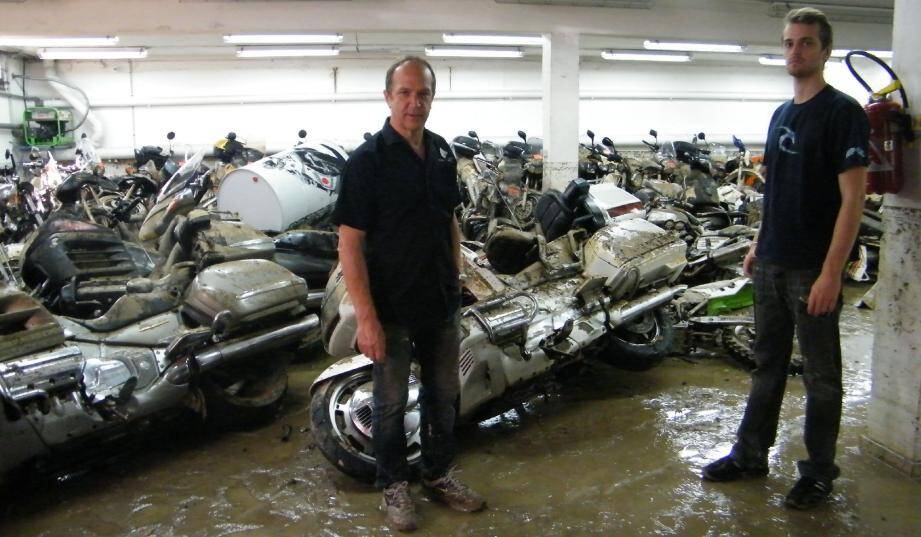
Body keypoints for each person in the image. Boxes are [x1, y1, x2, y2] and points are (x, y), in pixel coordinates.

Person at [701, 7, 869, 510]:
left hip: (812, 268)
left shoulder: (843, 113)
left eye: (806, 43)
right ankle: (750, 454)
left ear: (825, 51)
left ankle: (818, 472)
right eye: (790, 43)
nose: (795, 51)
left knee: (821, 377)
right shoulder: (781, 114)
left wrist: (832, 273)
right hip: (772, 261)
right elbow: (775, 189)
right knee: (766, 366)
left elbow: (853, 200)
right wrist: (757, 243)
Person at [331, 56, 486, 532]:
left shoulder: (441, 153)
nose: (414, 102)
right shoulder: (366, 162)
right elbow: (350, 244)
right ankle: (394, 485)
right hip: (391, 307)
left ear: (432, 99)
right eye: (404, 93)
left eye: (423, 94)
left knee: (444, 397)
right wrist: (367, 318)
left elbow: (450, 221)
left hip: (440, 302)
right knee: (391, 404)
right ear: (387, 97)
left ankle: (438, 474)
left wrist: (459, 279)